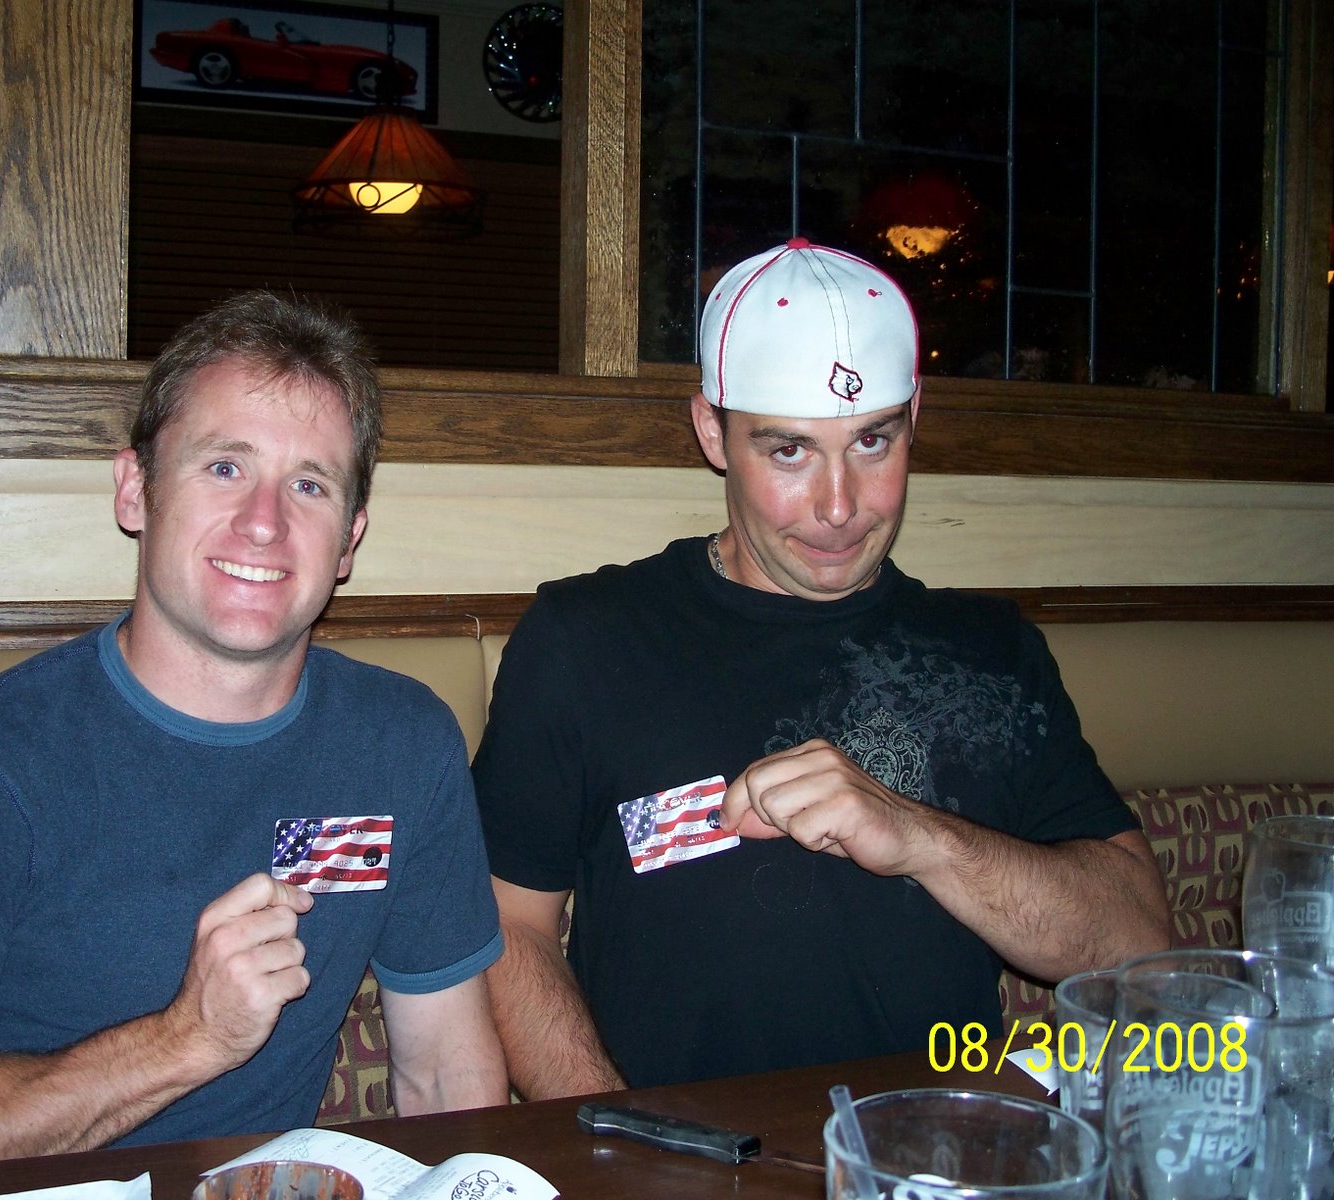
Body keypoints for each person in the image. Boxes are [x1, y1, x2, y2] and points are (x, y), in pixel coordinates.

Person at [0, 290, 507, 1182]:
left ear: (348, 540)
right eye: (224, 467)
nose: (264, 522)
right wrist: (187, 1039)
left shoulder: (402, 744)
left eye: (309, 485)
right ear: (135, 491)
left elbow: (445, 1073)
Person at [472, 238, 1170, 1100]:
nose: (839, 507)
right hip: (679, 1156)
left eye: (872, 442)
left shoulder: (991, 647)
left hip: (941, 1145)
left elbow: (1139, 942)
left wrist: (919, 838)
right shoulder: (585, 639)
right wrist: (621, 1143)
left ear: (914, 418)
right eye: (790, 452)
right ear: (711, 432)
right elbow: (507, 925)